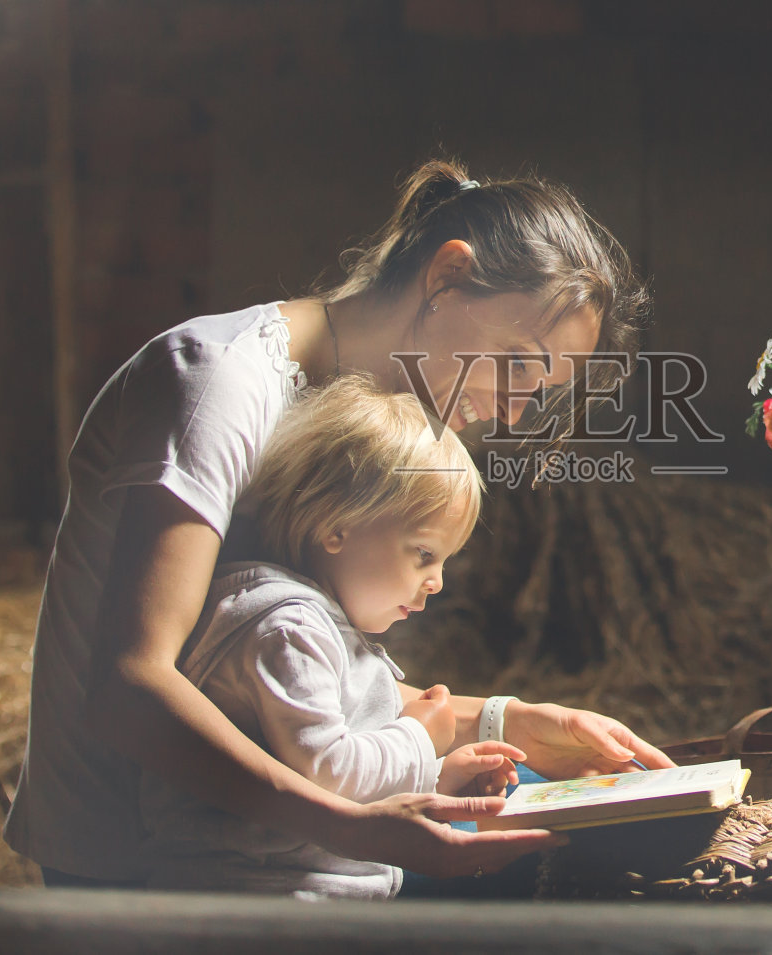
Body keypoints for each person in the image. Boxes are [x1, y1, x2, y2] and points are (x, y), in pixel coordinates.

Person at [4, 158, 671, 887]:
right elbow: (132, 687)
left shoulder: (362, 431)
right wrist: (355, 828)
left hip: (269, 857)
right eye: (517, 363)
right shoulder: (218, 384)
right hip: (140, 873)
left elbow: (294, 689)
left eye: (536, 390)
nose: (516, 410)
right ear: (447, 277)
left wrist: (512, 721)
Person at [140, 375, 521, 897]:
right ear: (338, 526)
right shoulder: (288, 631)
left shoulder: (314, 623)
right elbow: (329, 774)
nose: (437, 582)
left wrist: (439, 776)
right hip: (268, 907)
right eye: (424, 554)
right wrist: (418, 737)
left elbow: (338, 788)